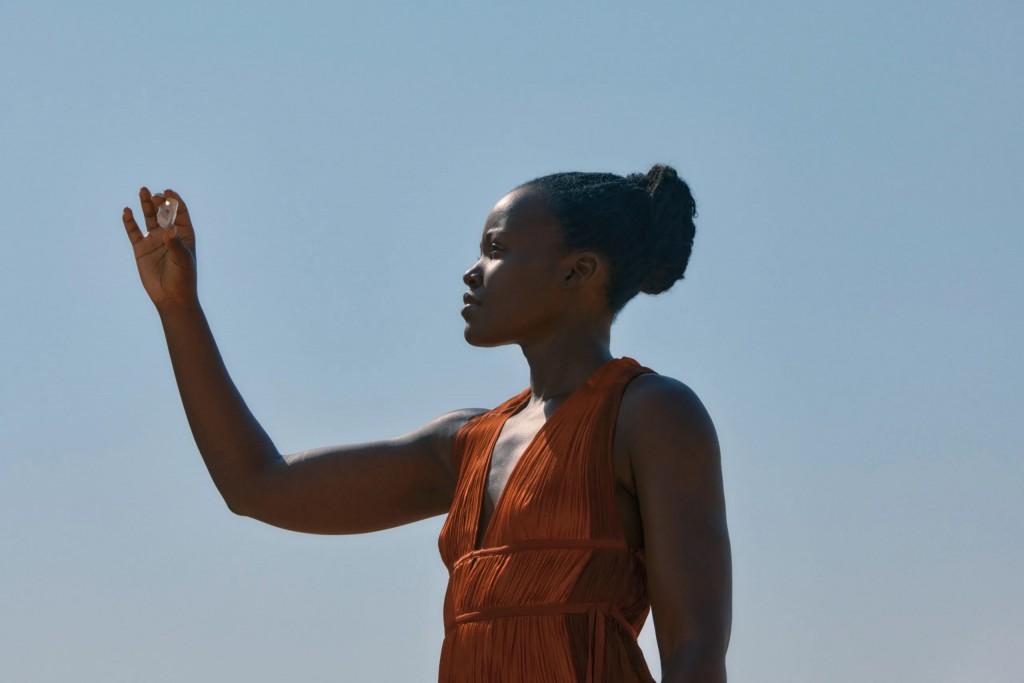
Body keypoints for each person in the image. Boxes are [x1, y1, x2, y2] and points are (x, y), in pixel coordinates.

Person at [121, 164, 732, 682]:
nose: (473, 271)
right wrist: (179, 308)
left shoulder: (651, 414)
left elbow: (694, 650)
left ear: (578, 271)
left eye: (496, 250)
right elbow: (256, 485)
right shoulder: (463, 445)